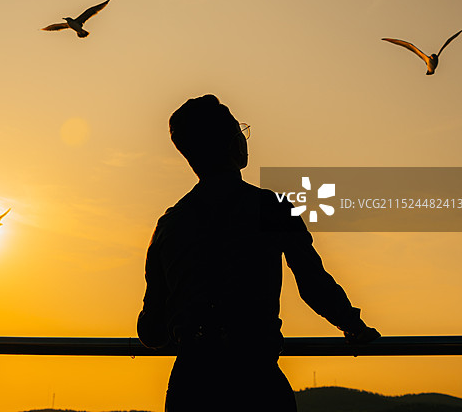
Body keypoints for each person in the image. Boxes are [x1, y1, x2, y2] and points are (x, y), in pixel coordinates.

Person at [138, 94, 379, 411]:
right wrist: (353, 326)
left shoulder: (169, 225)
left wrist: (192, 329)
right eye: (238, 129)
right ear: (229, 144)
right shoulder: (270, 208)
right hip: (256, 381)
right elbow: (313, 283)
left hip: (191, 388)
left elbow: (150, 330)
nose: (243, 136)